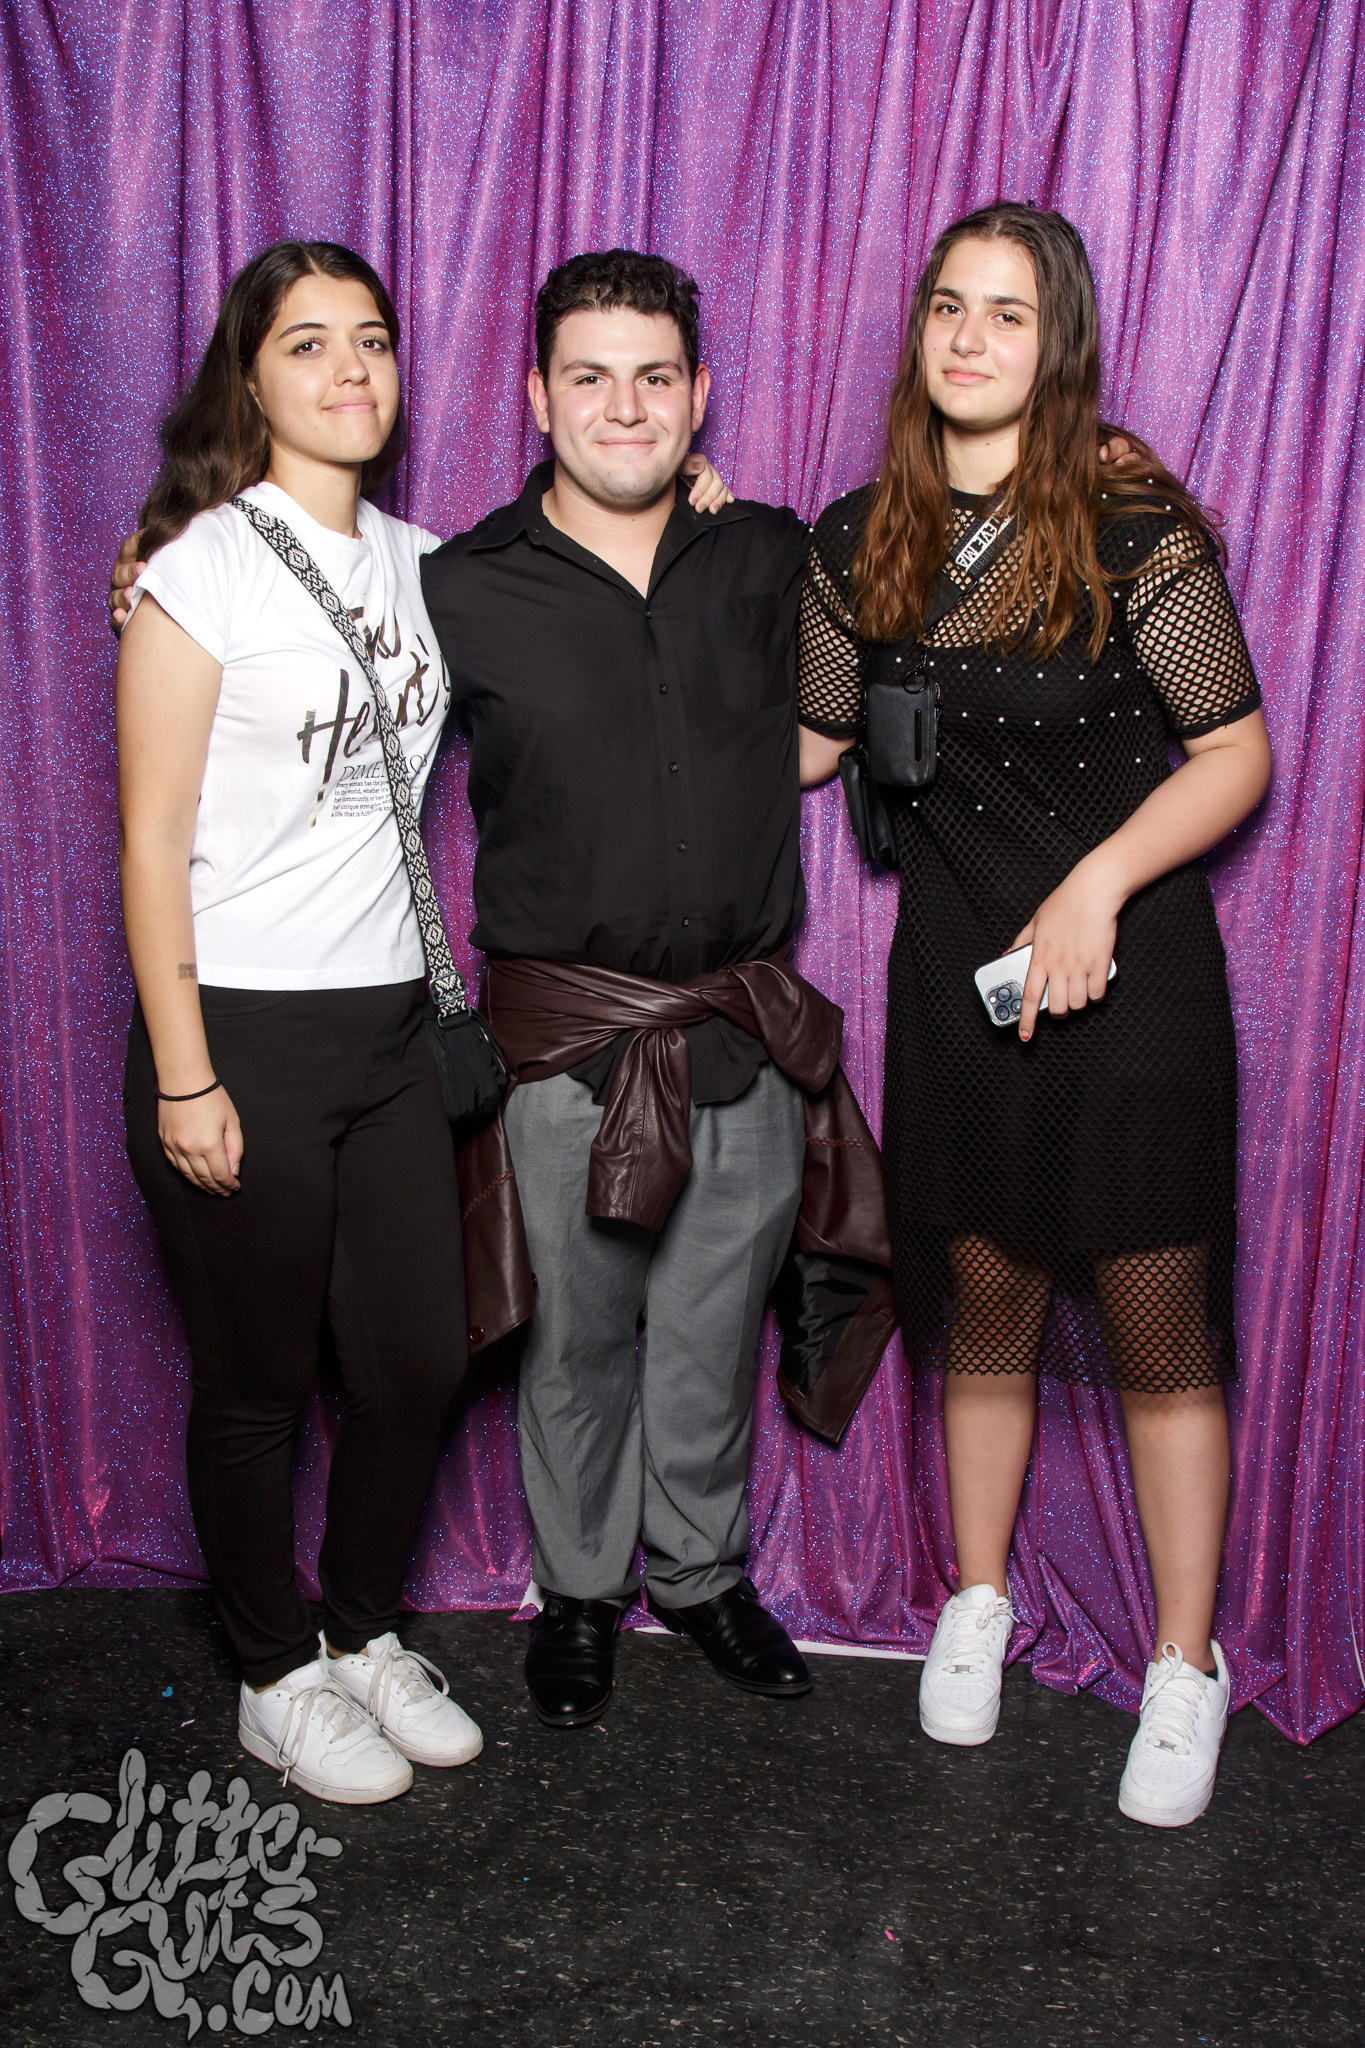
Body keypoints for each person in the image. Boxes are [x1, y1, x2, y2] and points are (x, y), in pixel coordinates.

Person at [109, 243, 735, 1782]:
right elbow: (148, 836)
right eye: (307, 343)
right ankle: (271, 1670)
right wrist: (184, 1074)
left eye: (372, 340)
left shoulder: (429, 565)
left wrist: (695, 502)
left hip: (395, 1030)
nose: (348, 370)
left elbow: (581, 583)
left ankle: (358, 1630)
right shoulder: (198, 569)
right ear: (249, 377)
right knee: (258, 1384)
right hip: (239, 1029)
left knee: (413, 1364)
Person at [797, 203, 1271, 1828]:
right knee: (984, 1306)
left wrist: (1097, 884)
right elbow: (805, 742)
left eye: (1007, 312)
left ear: (1056, 341)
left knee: (1157, 1325)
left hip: (1127, 983)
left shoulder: (1131, 526)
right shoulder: (859, 538)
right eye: (949, 305)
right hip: (959, 985)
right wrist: (696, 542)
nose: (970, 337)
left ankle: (1185, 1663)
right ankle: (976, 1600)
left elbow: (1235, 753)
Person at [419, 250, 831, 1729]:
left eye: (654, 377)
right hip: (563, 1041)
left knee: (715, 1328)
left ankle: (703, 1578)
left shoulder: (767, 554)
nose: (624, 407)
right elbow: (313, 662)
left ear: (698, 394)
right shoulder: (458, 582)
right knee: (575, 1337)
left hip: (736, 1026)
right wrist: (161, 561)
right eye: (588, 377)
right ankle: (582, 1594)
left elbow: (899, 611)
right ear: (537, 397)